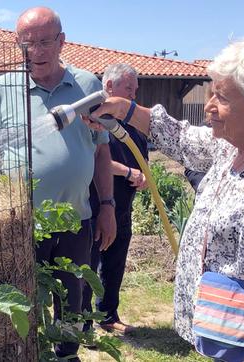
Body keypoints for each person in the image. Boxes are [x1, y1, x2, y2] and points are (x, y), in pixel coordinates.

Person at [90, 36, 244, 362]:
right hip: (228, 330)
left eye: (221, 97)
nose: (208, 106)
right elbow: (180, 137)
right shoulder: (232, 146)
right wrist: (124, 109)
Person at [0, 7, 116, 360]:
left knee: (72, 299)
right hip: (19, 223)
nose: (36, 51)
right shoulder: (1, 90)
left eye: (45, 42)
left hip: (75, 220)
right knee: (20, 301)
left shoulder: (87, 86)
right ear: (17, 44)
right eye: (27, 43)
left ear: (61, 42)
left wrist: (107, 206)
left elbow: (102, 153)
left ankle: (67, 354)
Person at [83, 63, 147, 335]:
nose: (133, 94)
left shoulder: (132, 124)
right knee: (89, 263)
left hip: (124, 203)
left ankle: (108, 315)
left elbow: (141, 158)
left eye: (135, 89)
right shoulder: (95, 118)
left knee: (115, 262)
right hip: (99, 203)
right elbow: (95, 160)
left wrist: (142, 176)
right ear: (109, 87)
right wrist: (129, 171)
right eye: (128, 88)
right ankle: (83, 322)